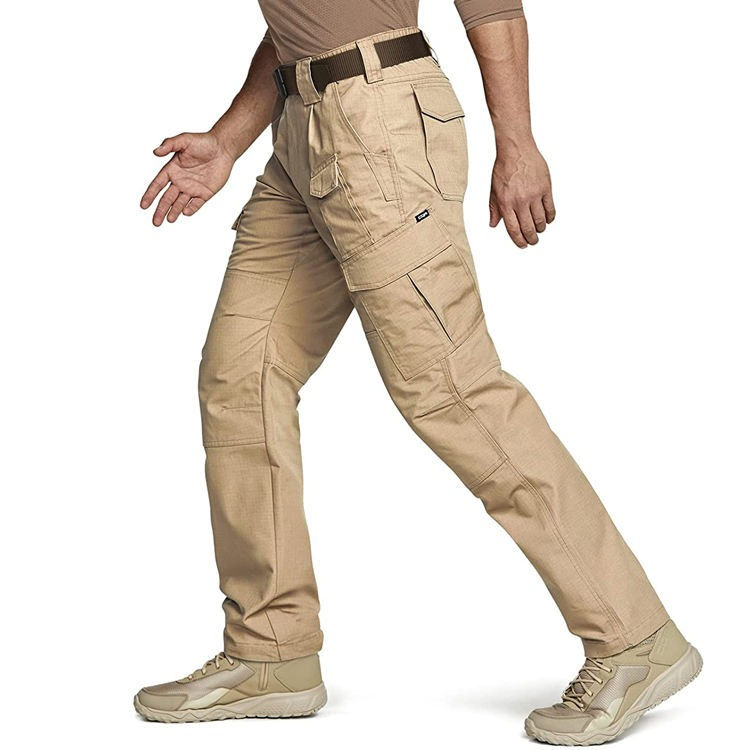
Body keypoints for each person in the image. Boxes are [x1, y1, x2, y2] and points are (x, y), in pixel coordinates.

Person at [135, 2, 701, 743]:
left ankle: (635, 638)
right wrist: (229, 139)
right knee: (241, 375)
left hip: (377, 130)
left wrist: (518, 142)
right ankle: (270, 650)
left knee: (452, 391)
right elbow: (299, 22)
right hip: (301, 128)